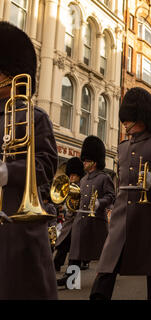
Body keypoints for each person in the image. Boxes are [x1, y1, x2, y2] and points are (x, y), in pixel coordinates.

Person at [90, 87, 151, 300]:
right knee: (108, 262)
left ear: (140, 117)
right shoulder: (121, 148)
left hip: (149, 214)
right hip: (123, 213)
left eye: (128, 118)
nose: (124, 122)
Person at [0, 21, 59, 299]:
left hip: (15, 224)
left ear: (8, 74)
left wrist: (7, 172)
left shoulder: (34, 117)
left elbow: (45, 166)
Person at [57, 136, 115, 287]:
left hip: (96, 220)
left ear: (94, 162)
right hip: (80, 220)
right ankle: (71, 280)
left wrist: (99, 203)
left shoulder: (104, 178)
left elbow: (111, 196)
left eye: (86, 161)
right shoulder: (83, 180)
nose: (84, 163)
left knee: (103, 252)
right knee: (75, 252)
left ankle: (107, 277)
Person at [53, 157, 84, 272]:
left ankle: (72, 278)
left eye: (74, 175)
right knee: (62, 245)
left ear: (79, 175)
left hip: (80, 220)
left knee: (76, 251)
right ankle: (56, 266)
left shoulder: (83, 185)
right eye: (70, 174)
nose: (71, 177)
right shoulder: (69, 185)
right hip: (70, 220)